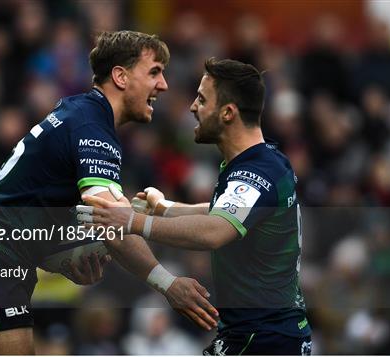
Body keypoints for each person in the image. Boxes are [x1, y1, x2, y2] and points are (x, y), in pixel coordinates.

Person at [0, 31, 218, 355]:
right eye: (154, 71)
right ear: (121, 77)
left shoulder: (77, 112)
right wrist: (168, 284)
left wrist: (63, 260)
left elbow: (29, 206)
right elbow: (113, 222)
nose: (164, 84)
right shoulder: (91, 126)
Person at [79, 58, 313, 355]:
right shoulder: (263, 161)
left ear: (228, 113)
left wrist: (131, 222)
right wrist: (164, 208)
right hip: (264, 334)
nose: (192, 107)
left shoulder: (256, 174)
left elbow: (215, 231)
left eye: (202, 99)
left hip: (263, 338)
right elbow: (225, 212)